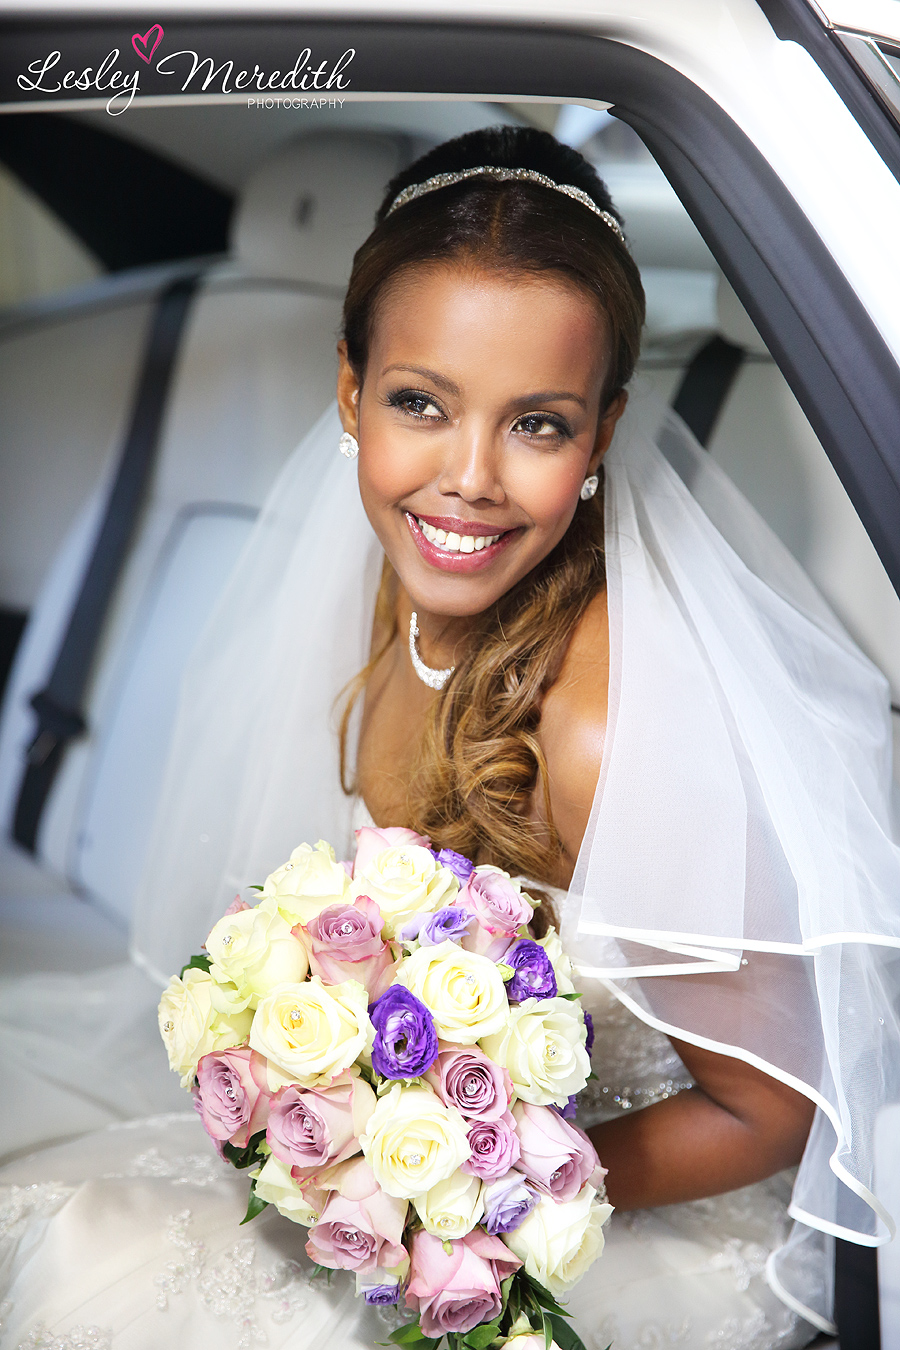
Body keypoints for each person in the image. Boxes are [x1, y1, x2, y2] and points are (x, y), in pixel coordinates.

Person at [1, 125, 898, 1350]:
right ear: (350, 391)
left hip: (611, 1220)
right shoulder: (405, 581)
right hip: (422, 1174)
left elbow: (769, 1113)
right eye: (421, 403)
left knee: (92, 1264)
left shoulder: (603, 738)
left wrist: (465, 1193)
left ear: (601, 436)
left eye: (538, 425)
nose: (469, 479)